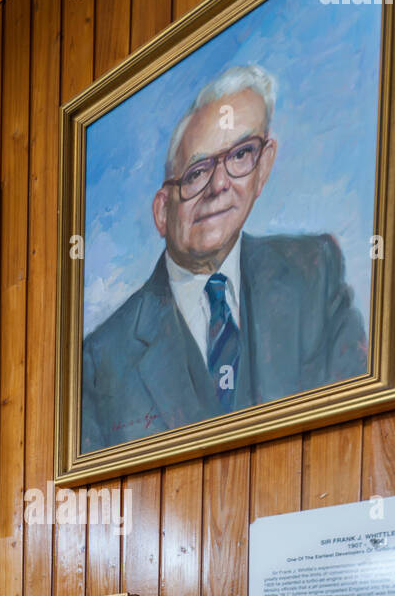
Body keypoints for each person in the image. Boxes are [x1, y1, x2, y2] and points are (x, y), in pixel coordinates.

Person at [81, 64, 368, 452]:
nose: (219, 185)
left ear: (263, 167)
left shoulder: (315, 272)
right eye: (197, 172)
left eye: (240, 155)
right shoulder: (101, 360)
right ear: (162, 211)